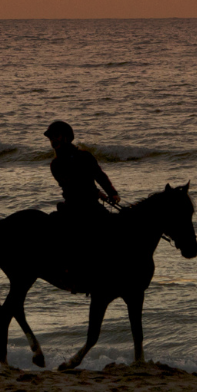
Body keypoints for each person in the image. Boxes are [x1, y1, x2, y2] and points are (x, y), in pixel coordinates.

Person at [45, 120, 120, 283]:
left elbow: (99, 175)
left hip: (90, 205)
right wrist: (97, 192)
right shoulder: (56, 164)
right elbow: (72, 184)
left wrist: (111, 193)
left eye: (56, 136)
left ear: (66, 137)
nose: (53, 141)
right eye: (51, 138)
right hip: (74, 207)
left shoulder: (85, 156)